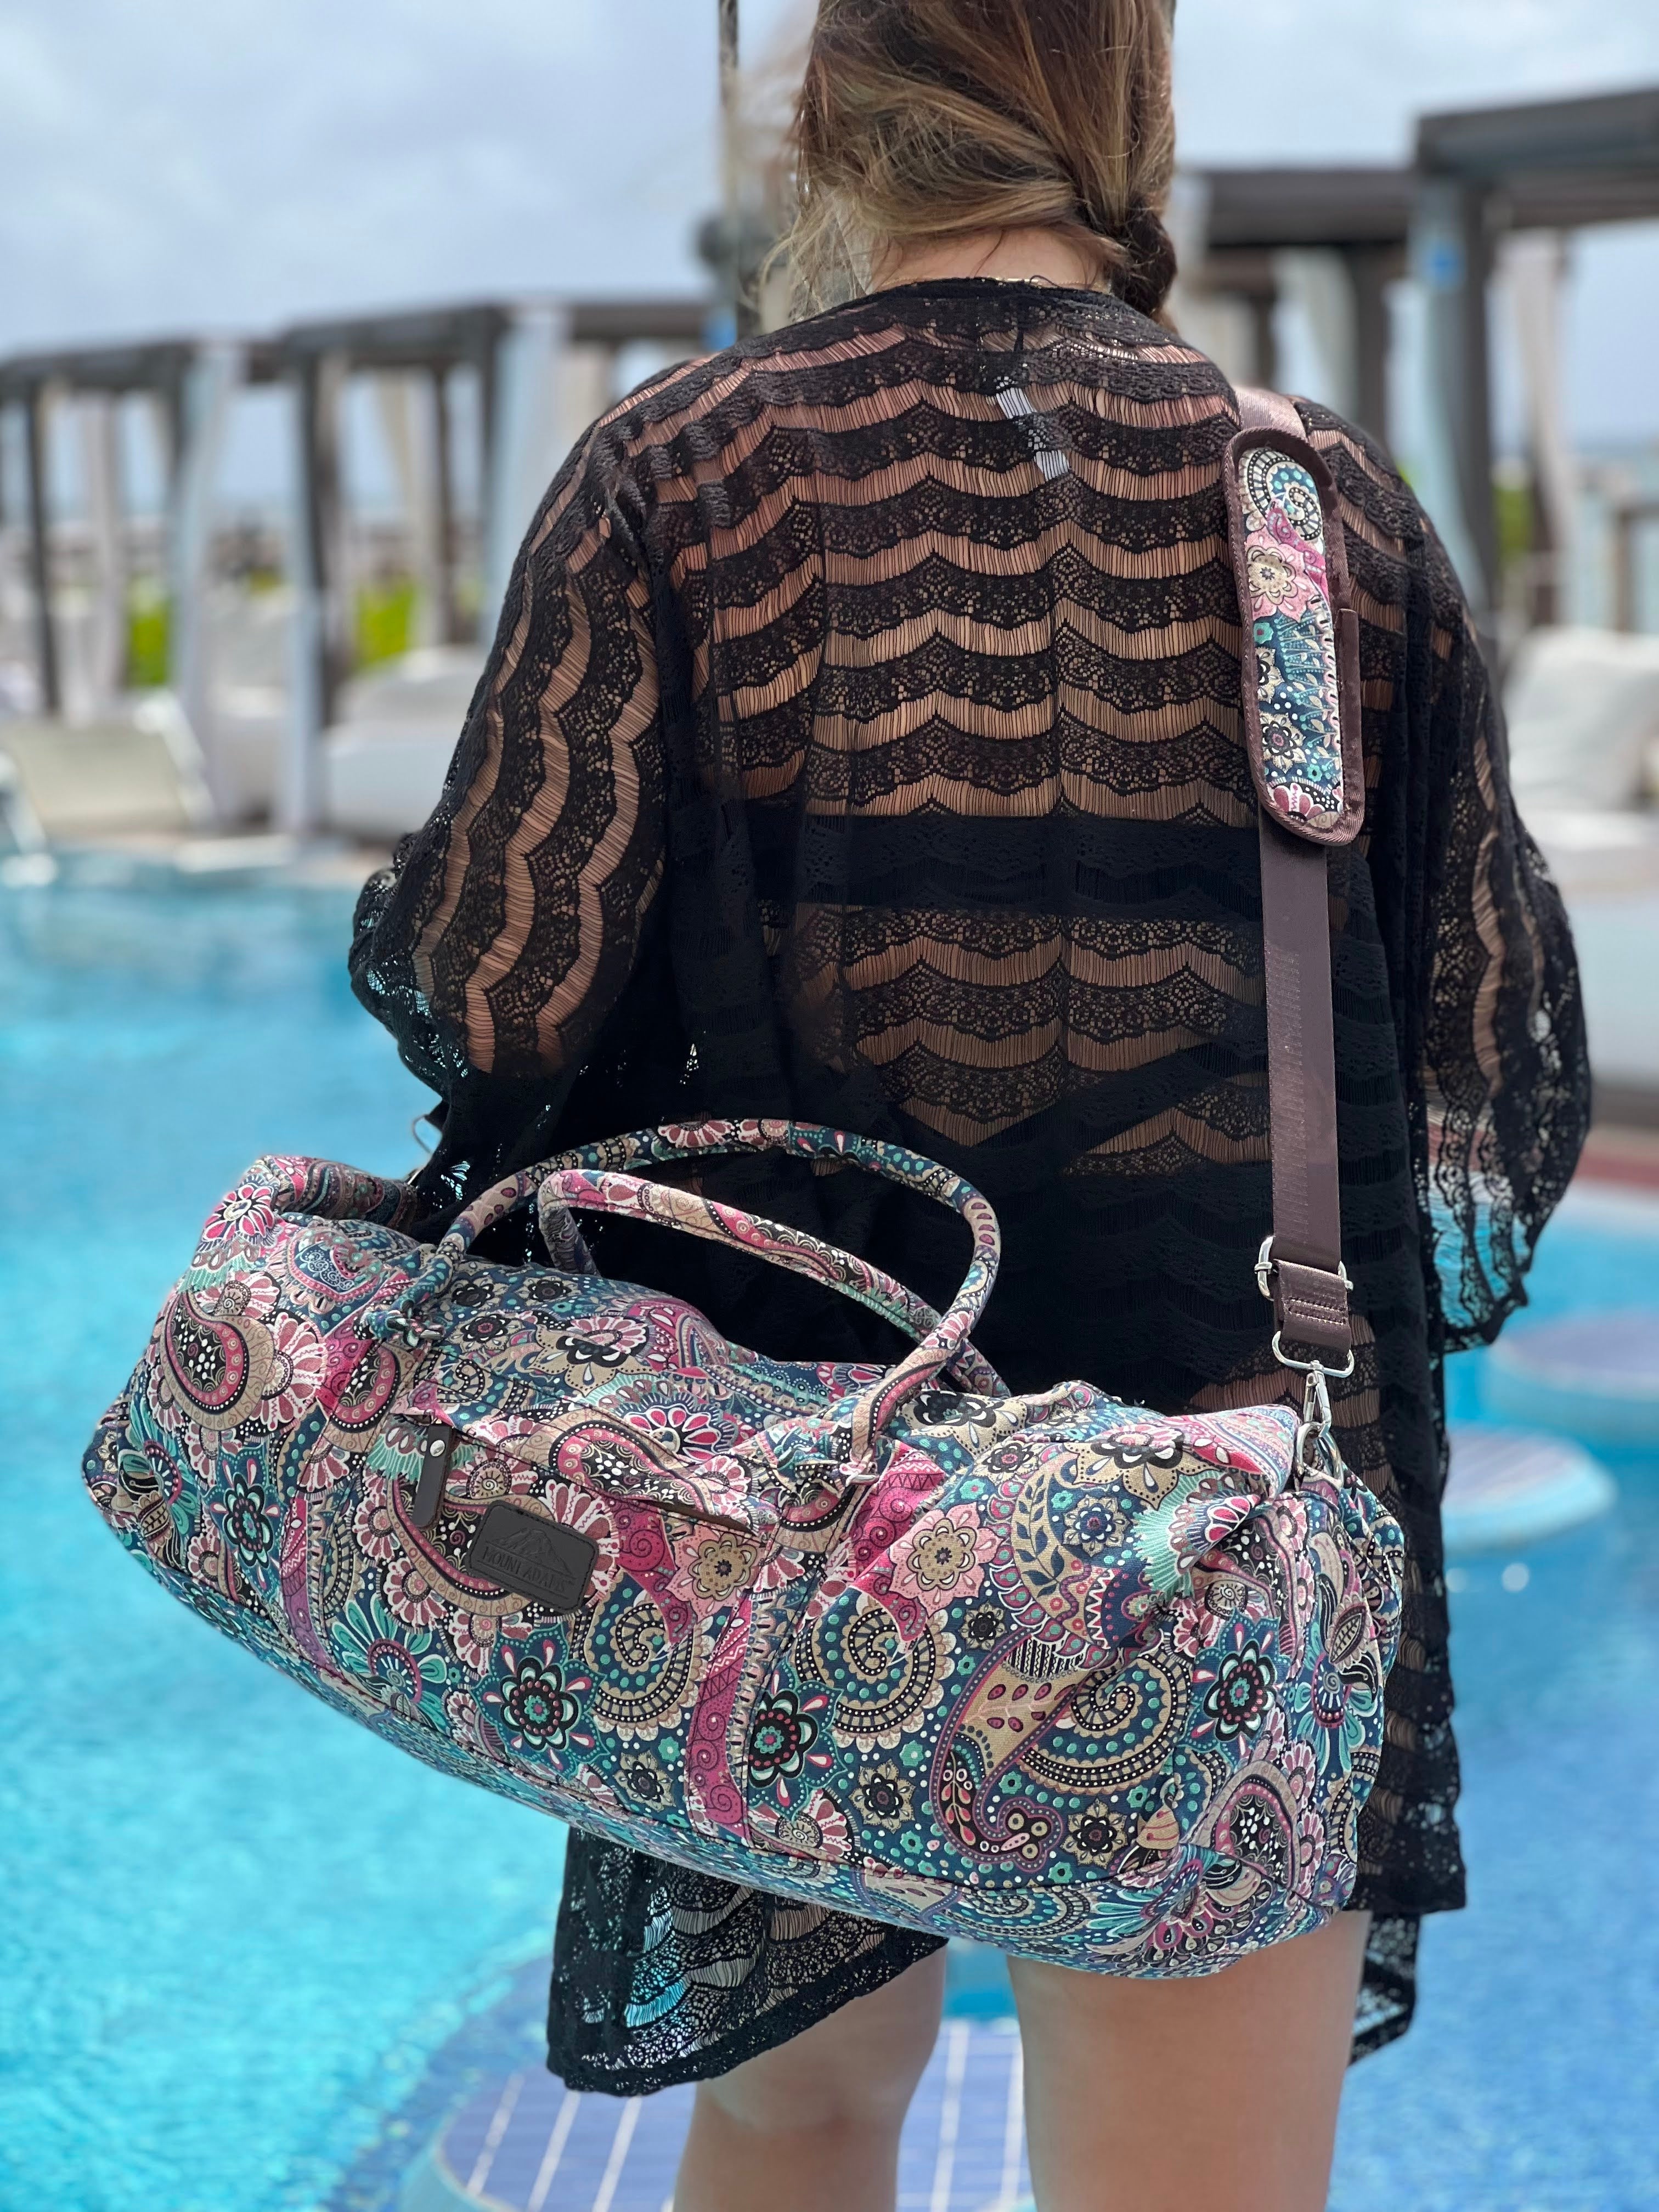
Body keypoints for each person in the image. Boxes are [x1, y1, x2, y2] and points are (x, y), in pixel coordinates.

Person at [351, 3, 1588, 2204]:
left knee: (796, 2114)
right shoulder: (1317, 514)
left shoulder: (683, 471)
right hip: (1222, 1492)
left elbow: (488, 999)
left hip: (787, 1471)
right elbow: (1493, 1138)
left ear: (825, 116)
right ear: (1128, 115)